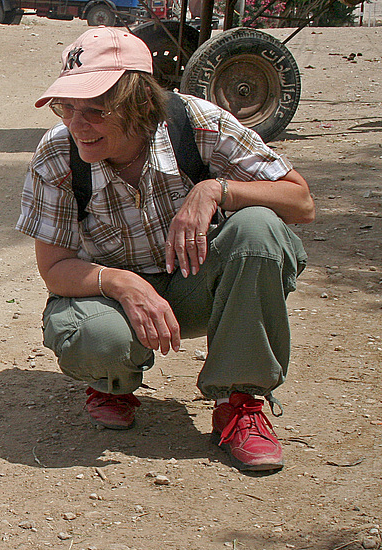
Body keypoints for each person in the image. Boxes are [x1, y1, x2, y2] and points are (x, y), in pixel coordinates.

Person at [16, 27, 314, 471]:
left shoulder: (199, 124)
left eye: (94, 110)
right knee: (91, 338)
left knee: (259, 229)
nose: (77, 125)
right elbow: (55, 268)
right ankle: (111, 382)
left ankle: (241, 403)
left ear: (137, 105)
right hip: (118, 305)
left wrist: (217, 190)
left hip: (200, 290)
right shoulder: (57, 154)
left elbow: (301, 202)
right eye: (67, 108)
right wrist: (120, 283)